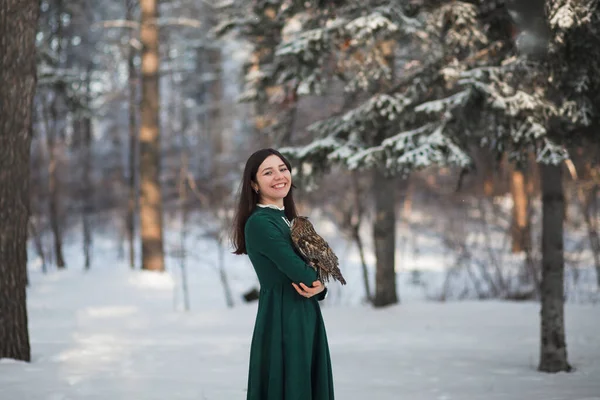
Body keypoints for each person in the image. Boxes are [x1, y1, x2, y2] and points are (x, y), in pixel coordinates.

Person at [232, 148, 335, 400]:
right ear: (254, 184)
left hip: (304, 312)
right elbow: (305, 273)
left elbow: (317, 274)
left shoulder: (288, 220)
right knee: (292, 387)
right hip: (283, 317)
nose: (279, 176)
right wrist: (317, 281)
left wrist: (319, 285)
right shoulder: (260, 222)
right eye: (268, 172)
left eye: (283, 169)